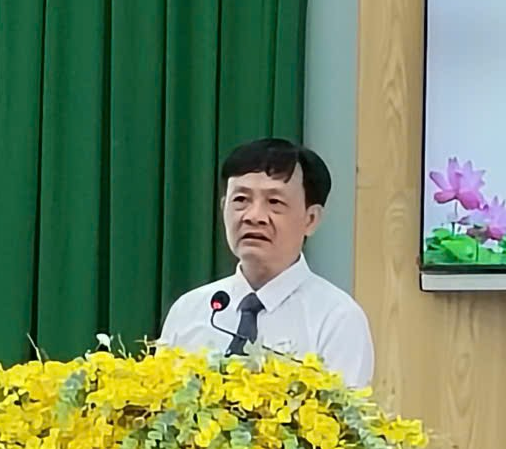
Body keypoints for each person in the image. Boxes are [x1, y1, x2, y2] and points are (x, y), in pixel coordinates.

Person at [158, 138, 374, 388]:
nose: (254, 216)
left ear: (311, 219)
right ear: (223, 207)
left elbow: (342, 411)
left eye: (274, 202)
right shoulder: (189, 311)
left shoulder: (337, 319)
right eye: (241, 200)